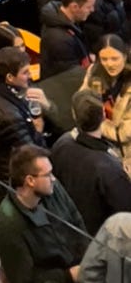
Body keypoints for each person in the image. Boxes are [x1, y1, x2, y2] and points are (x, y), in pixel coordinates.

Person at [0, 145, 86, 283]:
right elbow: (24, 279)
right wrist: (68, 276)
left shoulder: (53, 189)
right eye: (48, 174)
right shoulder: (10, 225)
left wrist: (85, 257)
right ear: (30, 181)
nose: (54, 179)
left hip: (76, 268)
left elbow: (76, 220)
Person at [49, 90, 131, 235]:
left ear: (74, 115)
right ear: (104, 116)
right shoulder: (110, 169)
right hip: (100, 240)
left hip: (67, 230)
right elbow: (126, 214)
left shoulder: (61, 145)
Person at [0, 46, 49, 200]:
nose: (30, 75)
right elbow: (33, 155)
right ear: (10, 77)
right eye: (25, 72)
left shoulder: (3, 91)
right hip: (13, 189)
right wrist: (38, 129)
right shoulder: (9, 116)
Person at [83, 38, 131, 167]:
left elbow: (124, 133)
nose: (109, 64)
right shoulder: (94, 72)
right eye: (104, 59)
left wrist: (96, 125)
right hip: (100, 147)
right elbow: (81, 107)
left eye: (115, 59)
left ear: (125, 56)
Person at [38, 0, 95, 80]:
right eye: (88, 7)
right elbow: (71, 77)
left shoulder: (66, 20)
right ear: (74, 7)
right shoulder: (59, 40)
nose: (92, 10)